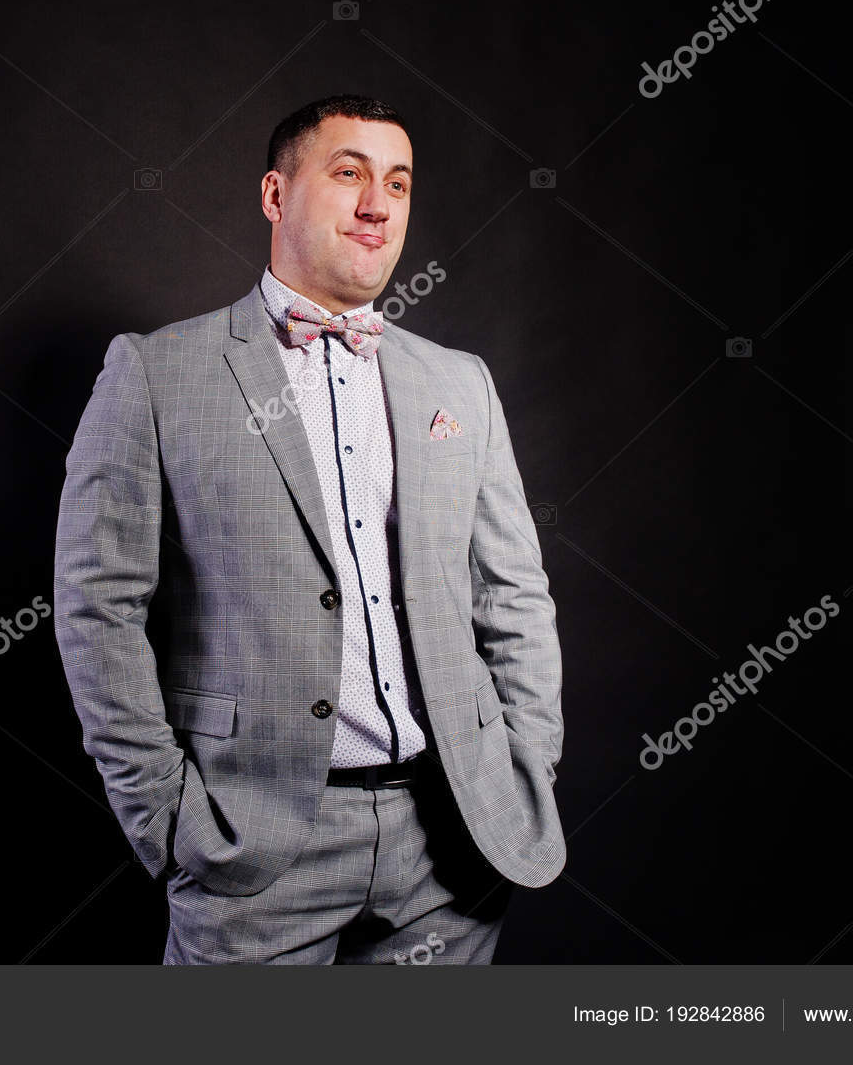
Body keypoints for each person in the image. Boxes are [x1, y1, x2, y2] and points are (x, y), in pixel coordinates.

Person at [54, 94, 565, 964]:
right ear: (274, 194)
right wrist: (167, 815)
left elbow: (512, 592)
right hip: (253, 843)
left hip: (451, 839)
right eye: (349, 173)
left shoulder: (459, 382)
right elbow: (97, 608)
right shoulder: (155, 373)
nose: (379, 203)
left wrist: (522, 763)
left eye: (398, 182)